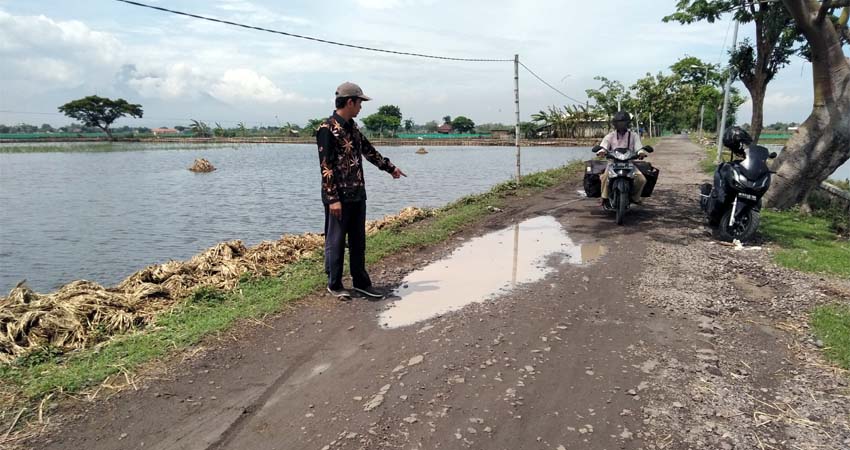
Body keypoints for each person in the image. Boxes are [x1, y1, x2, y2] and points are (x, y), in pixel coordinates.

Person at [317, 82, 406, 300]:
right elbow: (325, 165)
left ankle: (361, 282)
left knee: (358, 241)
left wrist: (390, 168)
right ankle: (335, 284)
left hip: (358, 193)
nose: (361, 107)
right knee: (336, 241)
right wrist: (332, 199)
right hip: (338, 197)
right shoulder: (326, 129)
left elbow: (368, 151)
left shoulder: (353, 128)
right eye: (359, 103)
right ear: (349, 102)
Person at [595, 111, 648, 205]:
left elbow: (638, 147)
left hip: (629, 164)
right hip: (613, 163)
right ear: (615, 124)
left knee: (641, 179)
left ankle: (635, 197)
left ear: (627, 123)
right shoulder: (610, 136)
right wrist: (602, 151)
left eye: (623, 122)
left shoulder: (633, 135)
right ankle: (604, 197)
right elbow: (604, 146)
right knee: (604, 177)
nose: (621, 125)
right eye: (619, 122)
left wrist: (641, 153)